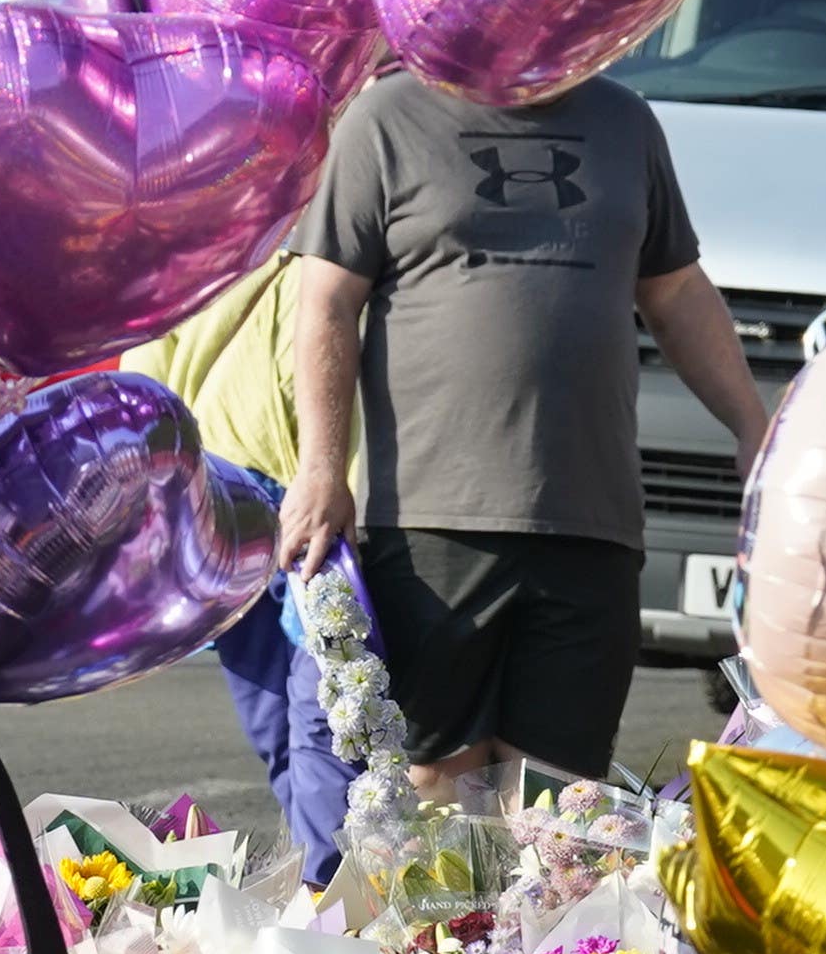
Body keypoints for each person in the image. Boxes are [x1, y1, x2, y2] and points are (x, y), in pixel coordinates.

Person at [270, 56, 763, 794]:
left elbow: (678, 292)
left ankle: (545, 919)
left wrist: (755, 427)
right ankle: (442, 920)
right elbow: (328, 303)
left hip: (593, 524)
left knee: (564, 807)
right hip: (430, 521)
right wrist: (321, 469)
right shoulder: (388, 119)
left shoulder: (624, 121)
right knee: (431, 787)